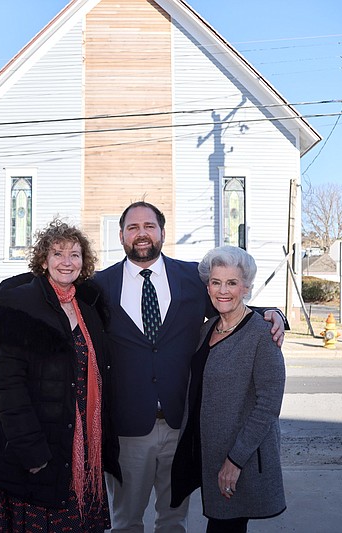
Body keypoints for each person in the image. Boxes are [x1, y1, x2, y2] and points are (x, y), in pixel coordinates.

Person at [93, 201, 286, 533]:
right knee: (125, 521)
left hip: (180, 429)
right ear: (121, 235)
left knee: (173, 521)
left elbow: (229, 298)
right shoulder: (99, 286)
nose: (142, 234)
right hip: (127, 430)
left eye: (149, 226)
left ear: (162, 233)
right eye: (133, 227)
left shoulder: (192, 278)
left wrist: (273, 313)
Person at [0, 219, 122, 533]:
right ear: (44, 260)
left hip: (82, 449)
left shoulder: (89, 307)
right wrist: (31, 451)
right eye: (58, 253)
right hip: (39, 450)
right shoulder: (22, 303)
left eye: (75, 254)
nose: (67, 261)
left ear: (84, 262)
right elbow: (9, 384)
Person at [171, 245, 287, 533]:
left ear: (246, 287)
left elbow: (268, 405)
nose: (223, 290)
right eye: (216, 282)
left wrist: (234, 461)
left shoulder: (262, 333)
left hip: (240, 459)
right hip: (210, 454)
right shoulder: (208, 328)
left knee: (225, 527)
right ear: (208, 287)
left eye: (232, 283)